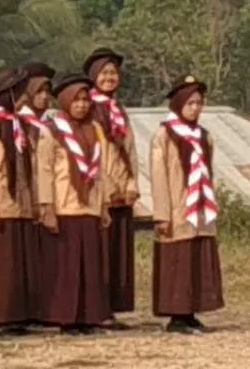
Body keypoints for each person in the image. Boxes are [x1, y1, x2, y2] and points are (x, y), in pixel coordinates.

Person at [36, 74, 110, 335]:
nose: (81, 106)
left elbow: (102, 171)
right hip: (64, 205)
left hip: (89, 205)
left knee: (89, 266)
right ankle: (67, 319)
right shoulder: (52, 130)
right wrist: (46, 207)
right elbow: (44, 170)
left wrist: (103, 205)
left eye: (85, 100)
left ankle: (89, 318)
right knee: (67, 267)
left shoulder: (95, 130)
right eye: (76, 101)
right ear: (66, 102)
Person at [151, 75, 224, 334]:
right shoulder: (165, 135)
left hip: (200, 210)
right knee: (177, 262)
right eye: (190, 103)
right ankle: (177, 316)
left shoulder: (205, 136)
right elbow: (158, 178)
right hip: (176, 210)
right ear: (178, 104)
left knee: (196, 261)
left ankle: (191, 312)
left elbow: (209, 173)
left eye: (199, 103)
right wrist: (162, 214)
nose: (196, 108)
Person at [84, 48, 138, 329]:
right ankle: (98, 308)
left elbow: (130, 149)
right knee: (100, 252)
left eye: (113, 73)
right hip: (99, 190)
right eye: (104, 73)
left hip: (121, 190)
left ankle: (112, 308)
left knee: (117, 253)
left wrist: (132, 183)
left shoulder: (119, 110)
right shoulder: (88, 108)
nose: (109, 78)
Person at [0, 67, 37, 336]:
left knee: (18, 264)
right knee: (0, 265)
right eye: (20, 92)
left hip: (21, 204)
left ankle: (17, 315)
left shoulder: (19, 125)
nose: (24, 97)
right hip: (1, 203)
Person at [14, 62, 55, 325]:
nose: (44, 97)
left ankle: (46, 308)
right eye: (39, 91)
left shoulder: (52, 121)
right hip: (27, 191)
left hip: (49, 191)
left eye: (47, 92)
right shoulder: (20, 120)